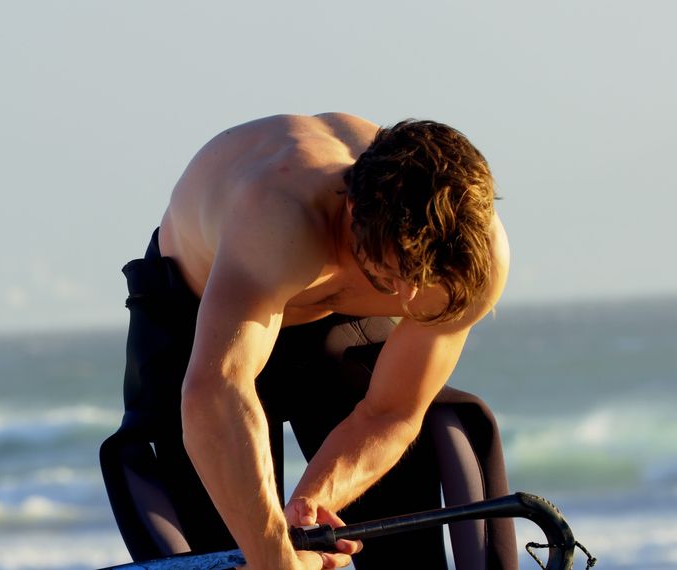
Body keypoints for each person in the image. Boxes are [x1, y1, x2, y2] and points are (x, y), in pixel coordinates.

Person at [101, 113, 514, 569]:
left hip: (334, 321)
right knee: (222, 551)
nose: (406, 298)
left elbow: (392, 412)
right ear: (354, 213)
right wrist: (275, 555)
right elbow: (214, 391)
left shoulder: (473, 264)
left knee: (415, 495)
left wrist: (309, 507)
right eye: (391, 276)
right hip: (198, 312)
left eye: (421, 282)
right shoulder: (277, 213)